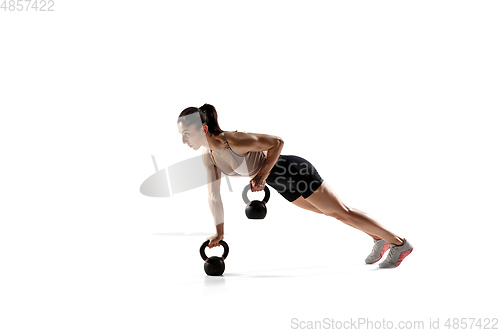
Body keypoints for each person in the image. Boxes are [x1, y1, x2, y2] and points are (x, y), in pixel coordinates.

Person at [177, 104, 413, 268]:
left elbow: (277, 143)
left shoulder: (233, 140)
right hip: (280, 184)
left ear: (203, 129)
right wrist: (219, 232)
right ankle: (379, 239)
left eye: (186, 134)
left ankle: (399, 243)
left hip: (293, 171)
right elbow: (214, 197)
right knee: (337, 214)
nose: (184, 140)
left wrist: (261, 175)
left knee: (342, 212)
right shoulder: (209, 157)